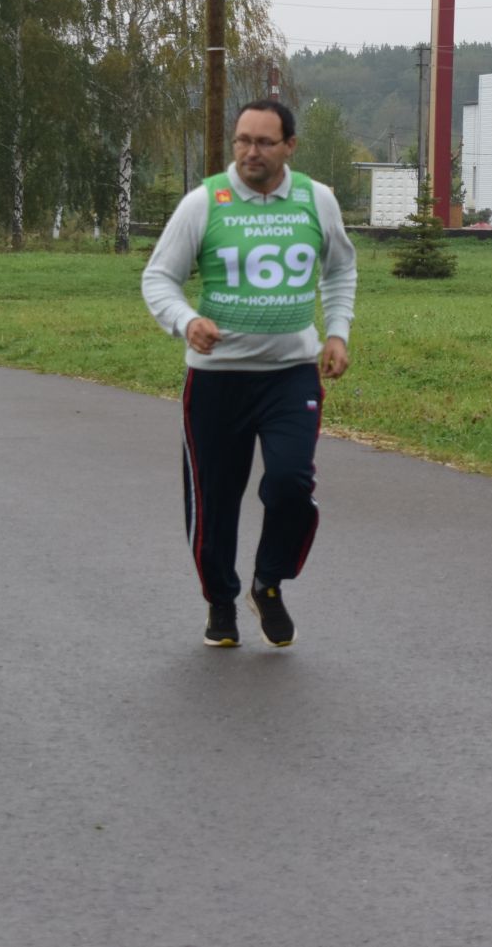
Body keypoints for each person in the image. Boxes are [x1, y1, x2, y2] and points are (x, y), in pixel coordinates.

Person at [142, 100, 357, 648]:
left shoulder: (316, 199)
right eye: (242, 140)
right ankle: (221, 600)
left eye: (263, 142)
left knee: (290, 483)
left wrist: (337, 332)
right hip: (217, 381)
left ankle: (268, 581)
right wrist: (186, 321)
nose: (250, 153)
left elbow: (340, 268)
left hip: (290, 374)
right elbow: (159, 278)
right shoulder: (204, 202)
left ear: (290, 146)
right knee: (215, 500)